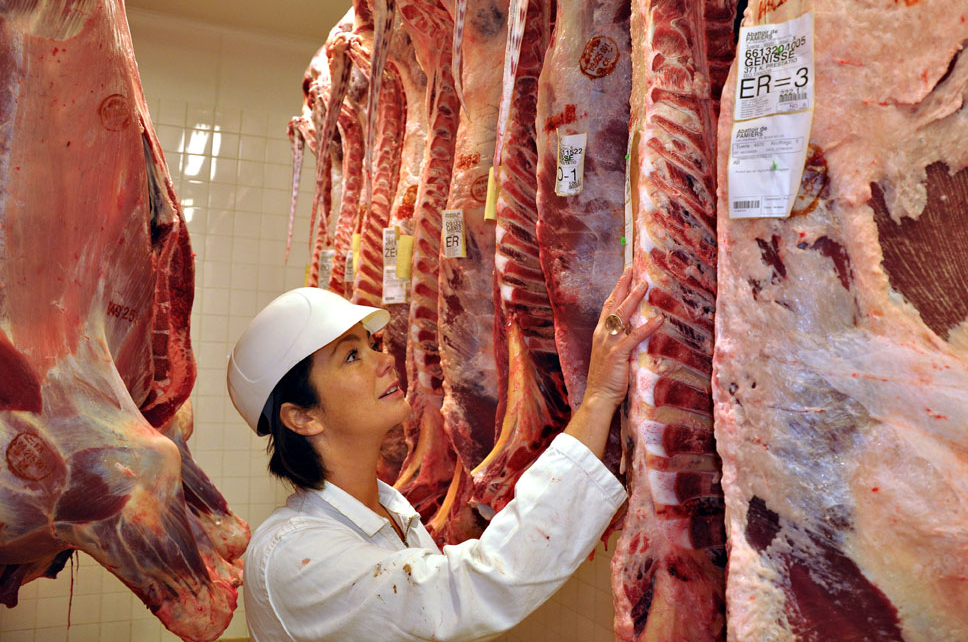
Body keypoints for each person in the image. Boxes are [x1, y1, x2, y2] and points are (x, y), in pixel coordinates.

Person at [227, 269, 662, 642]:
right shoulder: (293, 557)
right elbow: (471, 591)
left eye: (372, 344)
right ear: (302, 417)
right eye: (352, 356)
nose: (383, 360)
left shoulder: (389, 513)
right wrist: (599, 397)